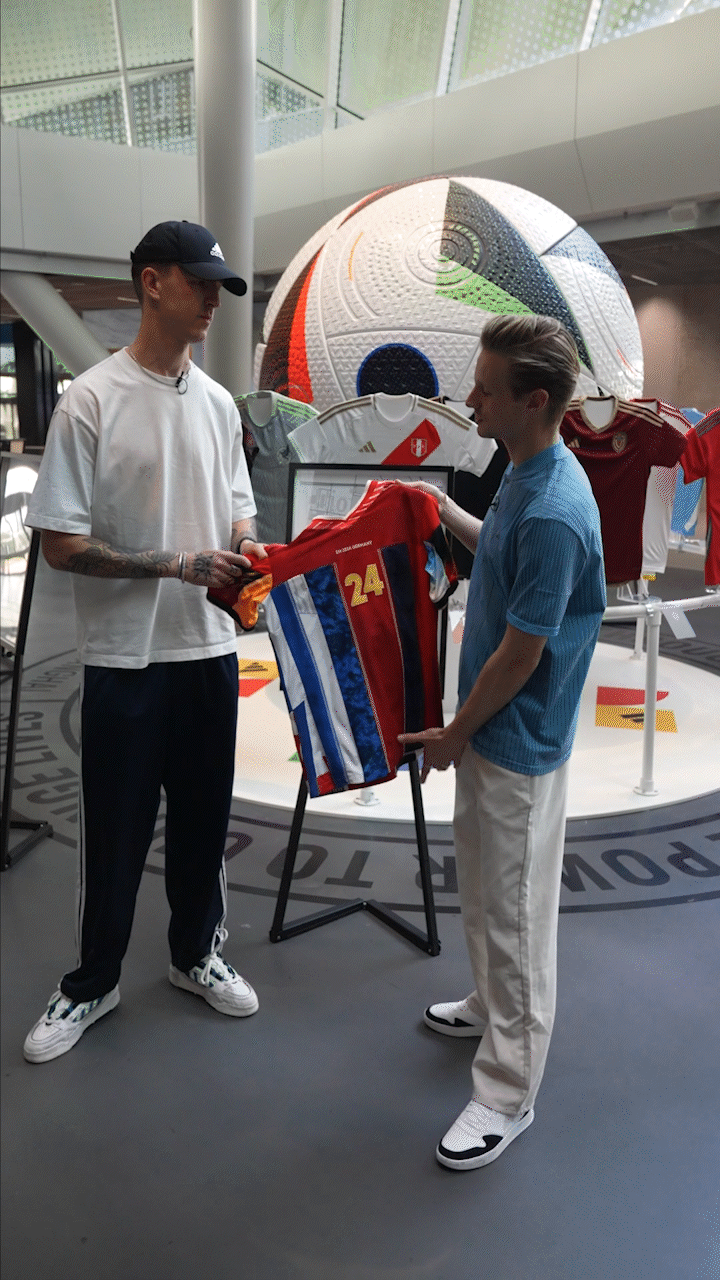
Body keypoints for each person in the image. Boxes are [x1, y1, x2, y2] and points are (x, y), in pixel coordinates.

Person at [23, 220, 267, 1064]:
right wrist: (177, 563)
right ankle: (93, 981)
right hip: (125, 660)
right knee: (116, 833)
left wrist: (248, 548)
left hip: (208, 650)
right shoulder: (90, 400)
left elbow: (238, 510)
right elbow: (61, 545)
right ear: (151, 282)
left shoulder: (220, 405)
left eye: (219, 287)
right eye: (199, 282)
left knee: (205, 823)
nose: (212, 301)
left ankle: (196, 954)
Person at [399, 314, 606, 1170]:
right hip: (492, 728)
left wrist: (454, 732)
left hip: (514, 736)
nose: (470, 399)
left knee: (517, 917)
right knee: (486, 889)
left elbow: (524, 651)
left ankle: (508, 1091)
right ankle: (489, 1005)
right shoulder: (524, 471)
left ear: (534, 400)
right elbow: (501, 558)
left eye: (486, 389)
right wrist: (444, 509)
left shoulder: (554, 506)